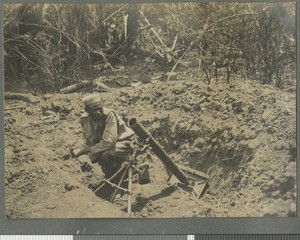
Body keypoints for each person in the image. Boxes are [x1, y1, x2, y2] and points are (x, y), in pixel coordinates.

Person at [71, 94, 135, 179]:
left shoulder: (109, 114)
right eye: (94, 110)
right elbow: (88, 141)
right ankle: (112, 176)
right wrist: (85, 152)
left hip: (124, 141)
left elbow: (109, 142)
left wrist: (86, 150)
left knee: (106, 155)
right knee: (96, 156)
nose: (98, 112)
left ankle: (121, 173)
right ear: (88, 111)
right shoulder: (84, 120)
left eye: (99, 108)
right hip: (105, 145)